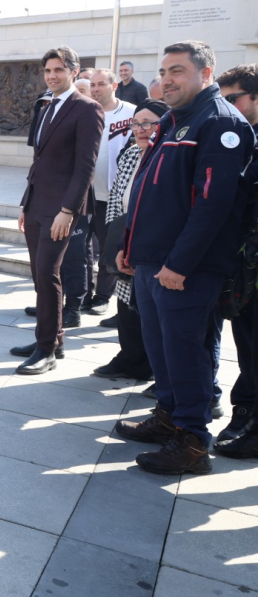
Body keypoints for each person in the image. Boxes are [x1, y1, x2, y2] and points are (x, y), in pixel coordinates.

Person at [113, 41, 253, 475]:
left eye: (178, 70)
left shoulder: (219, 124)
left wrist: (180, 264)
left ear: (206, 74)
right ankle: (169, 417)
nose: (167, 79)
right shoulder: (175, 119)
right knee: (163, 350)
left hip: (184, 268)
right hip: (152, 260)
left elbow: (214, 205)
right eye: (164, 71)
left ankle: (191, 441)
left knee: (186, 352)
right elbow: (148, 191)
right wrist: (131, 246)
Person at [10, 46, 104, 375]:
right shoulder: (45, 105)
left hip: (61, 208)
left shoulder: (87, 109)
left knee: (49, 273)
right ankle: (51, 338)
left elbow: (85, 168)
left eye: (59, 70)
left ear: (74, 72)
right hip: (37, 203)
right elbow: (39, 161)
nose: (52, 76)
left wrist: (68, 210)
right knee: (39, 274)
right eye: (48, 70)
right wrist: (26, 202)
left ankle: (46, 349)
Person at [91, 100, 163, 384]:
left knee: (152, 313)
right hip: (124, 240)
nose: (141, 130)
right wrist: (115, 240)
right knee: (126, 308)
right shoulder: (132, 153)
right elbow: (115, 199)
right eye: (136, 123)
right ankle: (131, 360)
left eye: (149, 123)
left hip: (151, 246)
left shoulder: (168, 155)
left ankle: (158, 369)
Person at [211, 63, 258, 458]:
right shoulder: (242, 138)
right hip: (243, 267)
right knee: (246, 347)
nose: (228, 107)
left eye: (235, 99)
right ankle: (246, 416)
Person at [84, 68, 136, 315]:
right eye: (92, 85)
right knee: (80, 247)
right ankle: (80, 293)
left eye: (101, 84)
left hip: (114, 195)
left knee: (107, 248)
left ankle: (103, 296)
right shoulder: (84, 111)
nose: (95, 89)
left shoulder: (131, 112)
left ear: (114, 86)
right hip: (84, 193)